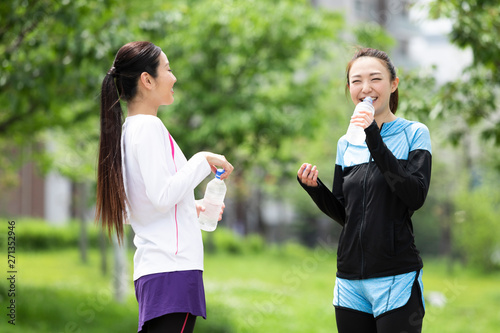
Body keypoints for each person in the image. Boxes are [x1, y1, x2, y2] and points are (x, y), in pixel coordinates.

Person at [95, 41, 234, 333]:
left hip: (157, 273)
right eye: (168, 69)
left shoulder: (130, 131)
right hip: (173, 271)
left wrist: (188, 206)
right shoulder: (148, 128)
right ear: (147, 80)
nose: (174, 77)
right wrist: (201, 160)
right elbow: (160, 196)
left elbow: (132, 208)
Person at [297, 48, 431, 333]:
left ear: (393, 84)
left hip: (395, 277)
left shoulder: (414, 133)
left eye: (375, 79)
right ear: (349, 88)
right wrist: (314, 189)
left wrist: (372, 134)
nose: (365, 88)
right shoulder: (346, 143)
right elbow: (346, 213)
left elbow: (414, 195)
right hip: (349, 280)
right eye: (356, 81)